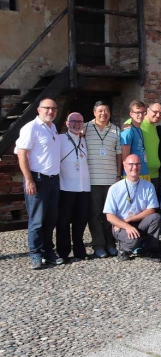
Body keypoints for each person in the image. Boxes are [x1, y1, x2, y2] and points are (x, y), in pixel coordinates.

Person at [16, 98, 62, 269]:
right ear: (38, 109)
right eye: (47, 108)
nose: (50, 111)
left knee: (51, 219)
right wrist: (29, 179)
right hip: (38, 180)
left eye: (54, 108)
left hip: (53, 180)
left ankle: (48, 252)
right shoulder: (31, 128)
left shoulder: (52, 127)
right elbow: (21, 155)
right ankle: (35, 254)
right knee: (37, 220)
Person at [103, 154, 161, 262]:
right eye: (131, 164)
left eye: (137, 164)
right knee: (134, 239)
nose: (134, 167)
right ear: (124, 165)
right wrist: (126, 225)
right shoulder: (115, 188)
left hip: (139, 222)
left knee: (156, 217)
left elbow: (151, 210)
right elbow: (109, 216)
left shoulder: (148, 186)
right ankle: (123, 250)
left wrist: (130, 219)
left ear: (141, 166)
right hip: (120, 225)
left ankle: (151, 250)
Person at [83, 101, 122, 258]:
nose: (103, 113)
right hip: (92, 180)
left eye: (106, 110)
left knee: (110, 214)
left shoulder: (116, 130)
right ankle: (98, 245)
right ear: (94, 112)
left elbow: (119, 155)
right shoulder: (85, 128)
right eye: (100, 110)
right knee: (94, 214)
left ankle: (110, 243)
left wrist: (119, 175)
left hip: (111, 179)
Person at [57, 112, 91, 263]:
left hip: (84, 187)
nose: (77, 124)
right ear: (67, 123)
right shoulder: (60, 139)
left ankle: (79, 249)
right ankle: (63, 252)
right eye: (74, 121)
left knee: (81, 219)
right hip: (66, 186)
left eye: (80, 121)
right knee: (63, 221)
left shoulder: (84, 139)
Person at [120, 100, 150, 179]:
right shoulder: (128, 131)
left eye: (143, 112)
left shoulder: (139, 129)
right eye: (137, 112)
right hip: (133, 174)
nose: (140, 115)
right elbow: (125, 157)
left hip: (143, 171)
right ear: (131, 114)